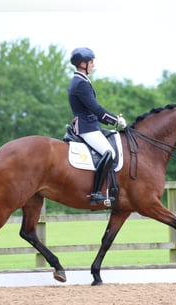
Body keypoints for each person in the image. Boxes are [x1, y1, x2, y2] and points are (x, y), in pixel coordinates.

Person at [67, 47, 127, 206]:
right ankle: (96, 193)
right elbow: (96, 109)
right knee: (108, 152)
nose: (93, 65)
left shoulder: (81, 81)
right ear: (82, 63)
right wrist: (116, 120)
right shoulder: (80, 83)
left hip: (90, 125)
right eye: (91, 62)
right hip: (87, 127)